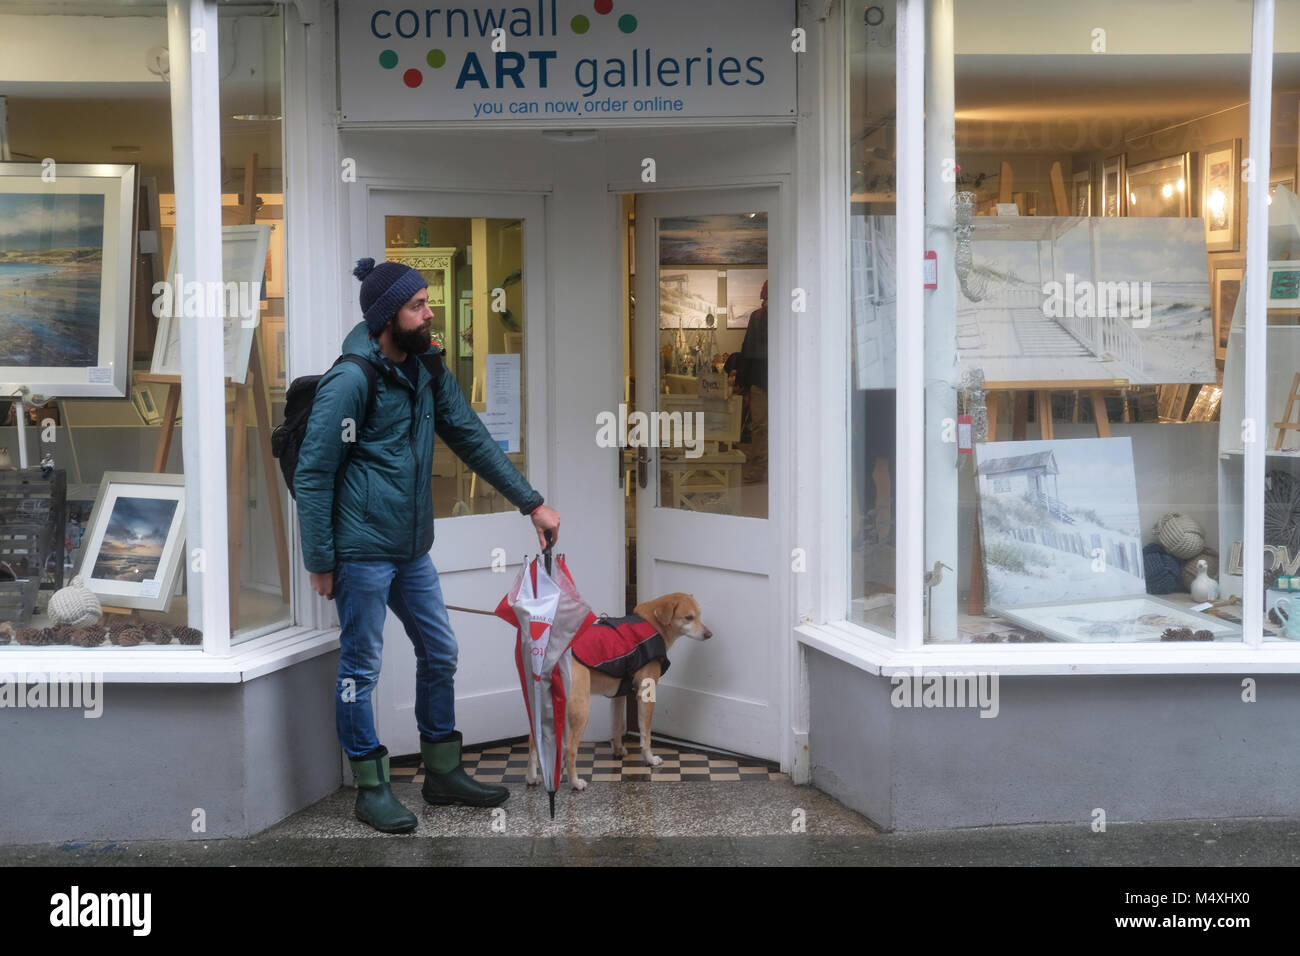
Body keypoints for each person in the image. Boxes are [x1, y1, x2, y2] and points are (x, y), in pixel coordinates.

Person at [294, 258, 561, 833]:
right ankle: (371, 786)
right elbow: (314, 473)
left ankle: (442, 772)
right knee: (361, 667)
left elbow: (469, 435)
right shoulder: (352, 379)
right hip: (361, 550)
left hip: (412, 548)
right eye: (418, 304)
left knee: (440, 651)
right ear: (389, 317)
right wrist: (319, 559)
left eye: (426, 301)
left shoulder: (426, 369)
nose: (430, 311)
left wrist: (530, 502)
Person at [738, 280, 768, 484]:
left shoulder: (788, 317)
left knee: (765, 426)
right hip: (760, 379)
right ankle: (759, 466)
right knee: (759, 426)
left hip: (781, 381)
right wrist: (744, 383)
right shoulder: (756, 318)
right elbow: (748, 348)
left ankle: (766, 465)